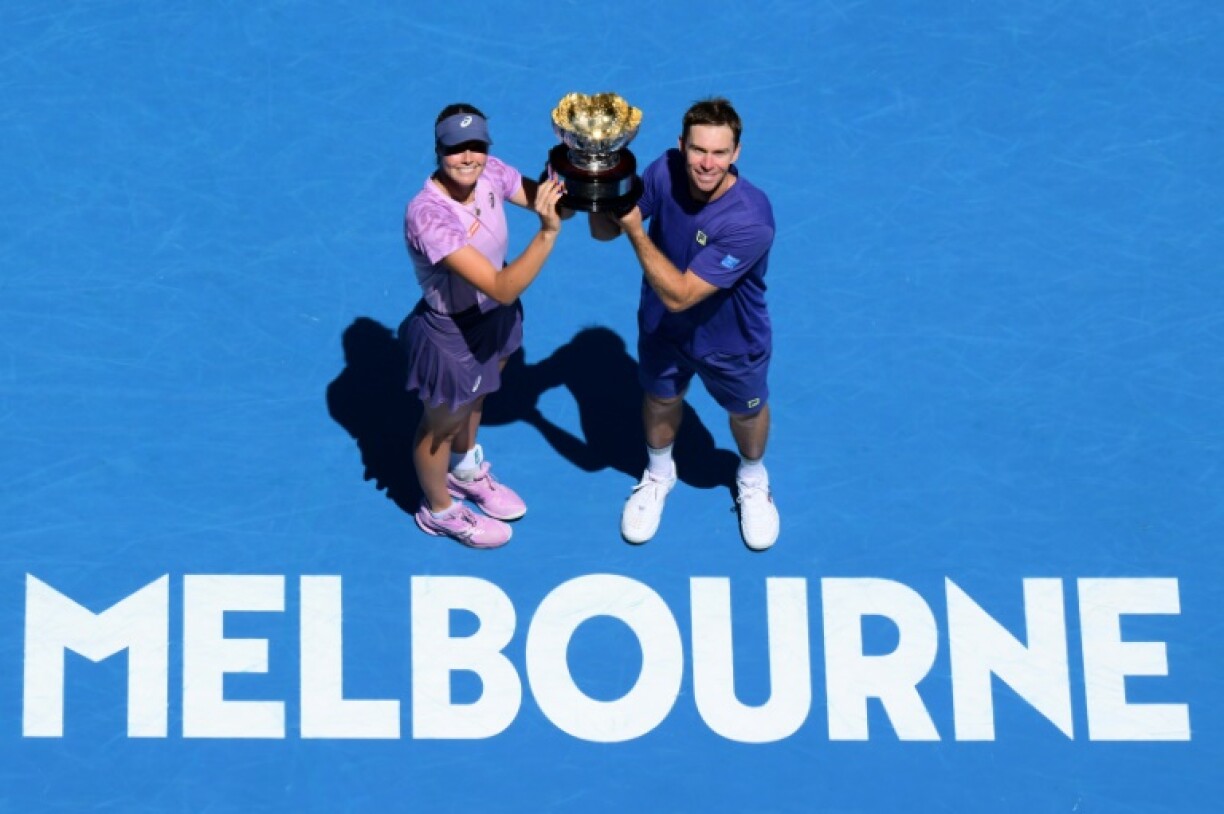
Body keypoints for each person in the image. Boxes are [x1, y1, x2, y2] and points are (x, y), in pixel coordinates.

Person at [605, 97, 780, 550]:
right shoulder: (663, 170)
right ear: (681, 145)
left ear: (736, 153)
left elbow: (681, 295)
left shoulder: (751, 220)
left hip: (732, 340)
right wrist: (597, 185)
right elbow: (604, 230)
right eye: (698, 150)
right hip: (663, 329)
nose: (706, 163)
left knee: (746, 413)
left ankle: (752, 478)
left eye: (719, 153)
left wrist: (635, 230)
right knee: (661, 399)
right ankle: (659, 473)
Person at [401, 103, 566, 548]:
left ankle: (464, 469)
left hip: (498, 320)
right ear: (439, 150)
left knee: (480, 394)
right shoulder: (428, 216)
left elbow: (548, 201)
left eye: (477, 146)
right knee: (439, 426)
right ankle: (439, 510)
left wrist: (573, 170)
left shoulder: (490, 170)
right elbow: (500, 287)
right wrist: (547, 232)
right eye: (457, 148)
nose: (469, 157)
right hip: (453, 333)